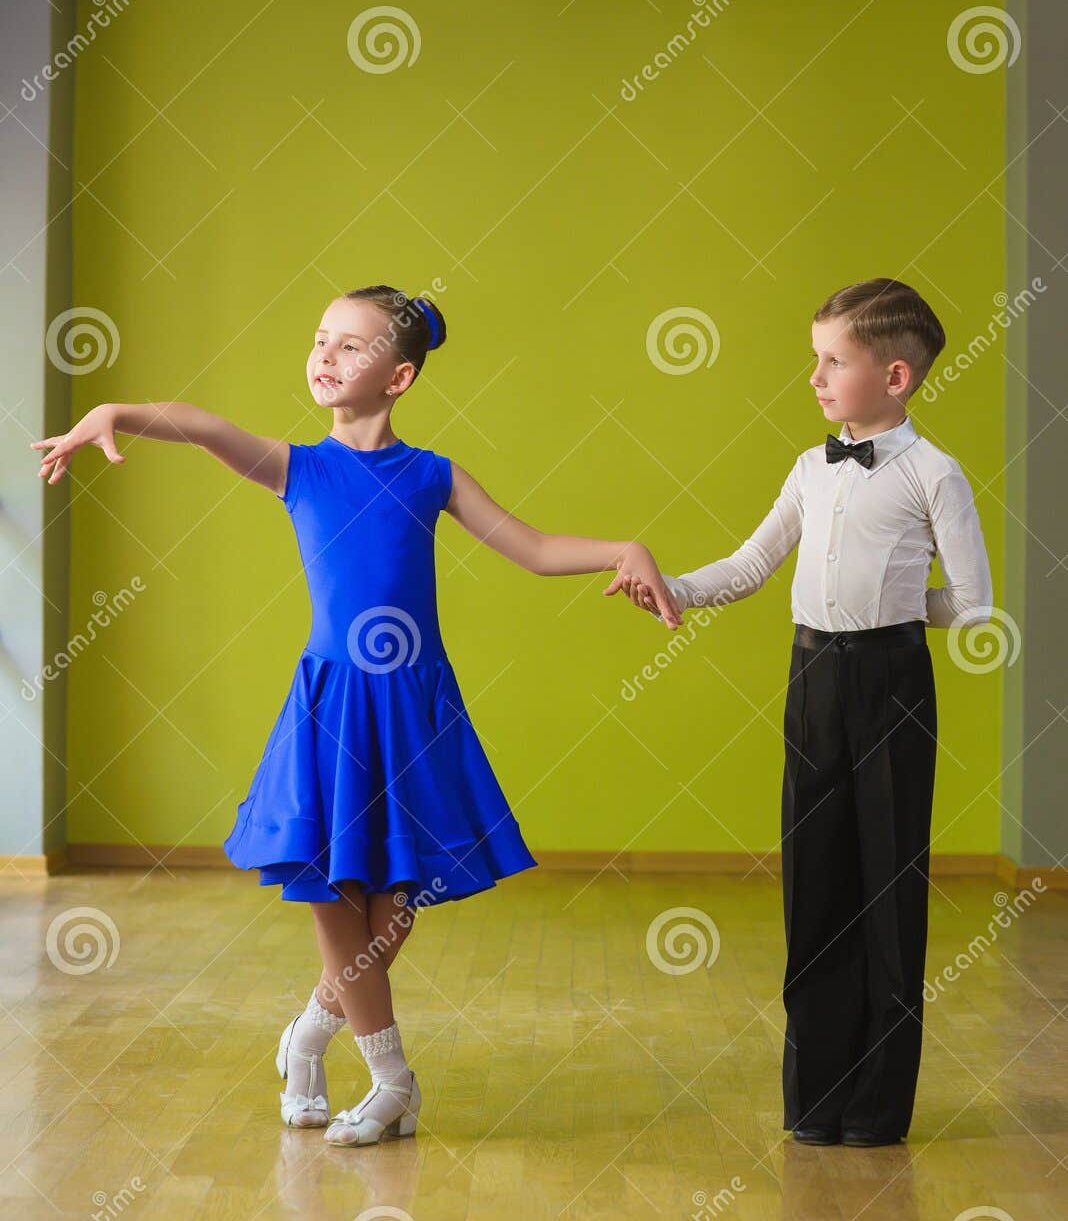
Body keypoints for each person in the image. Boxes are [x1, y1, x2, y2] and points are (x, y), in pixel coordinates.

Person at [31, 284, 680, 1148]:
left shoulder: (433, 475)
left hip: (414, 705)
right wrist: (115, 409)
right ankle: (392, 1081)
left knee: (398, 896)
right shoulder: (300, 467)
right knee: (337, 890)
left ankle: (307, 1037)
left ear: (400, 376)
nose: (325, 355)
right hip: (335, 705)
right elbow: (199, 423)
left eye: (351, 345)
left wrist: (623, 548)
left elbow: (531, 549)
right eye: (320, 339)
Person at [608, 278, 994, 1148]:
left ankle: (877, 1109)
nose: (815, 378)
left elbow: (971, 604)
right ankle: (816, 1101)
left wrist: (895, 609)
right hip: (811, 681)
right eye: (815, 359)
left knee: (889, 889)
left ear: (895, 375)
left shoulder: (936, 475)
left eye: (833, 361)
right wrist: (670, 590)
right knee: (816, 885)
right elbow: (749, 567)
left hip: (892, 684)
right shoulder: (809, 468)